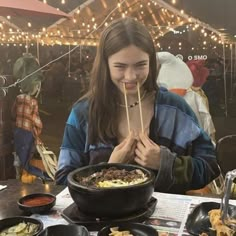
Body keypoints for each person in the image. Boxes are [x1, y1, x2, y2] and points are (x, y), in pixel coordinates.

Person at [55, 17, 220, 194]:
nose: (131, 76)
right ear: (105, 65)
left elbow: (210, 166)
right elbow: (63, 180)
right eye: (120, 66)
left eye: (141, 65)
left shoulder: (174, 109)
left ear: (151, 63)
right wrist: (108, 169)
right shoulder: (83, 114)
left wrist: (166, 163)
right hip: (100, 219)